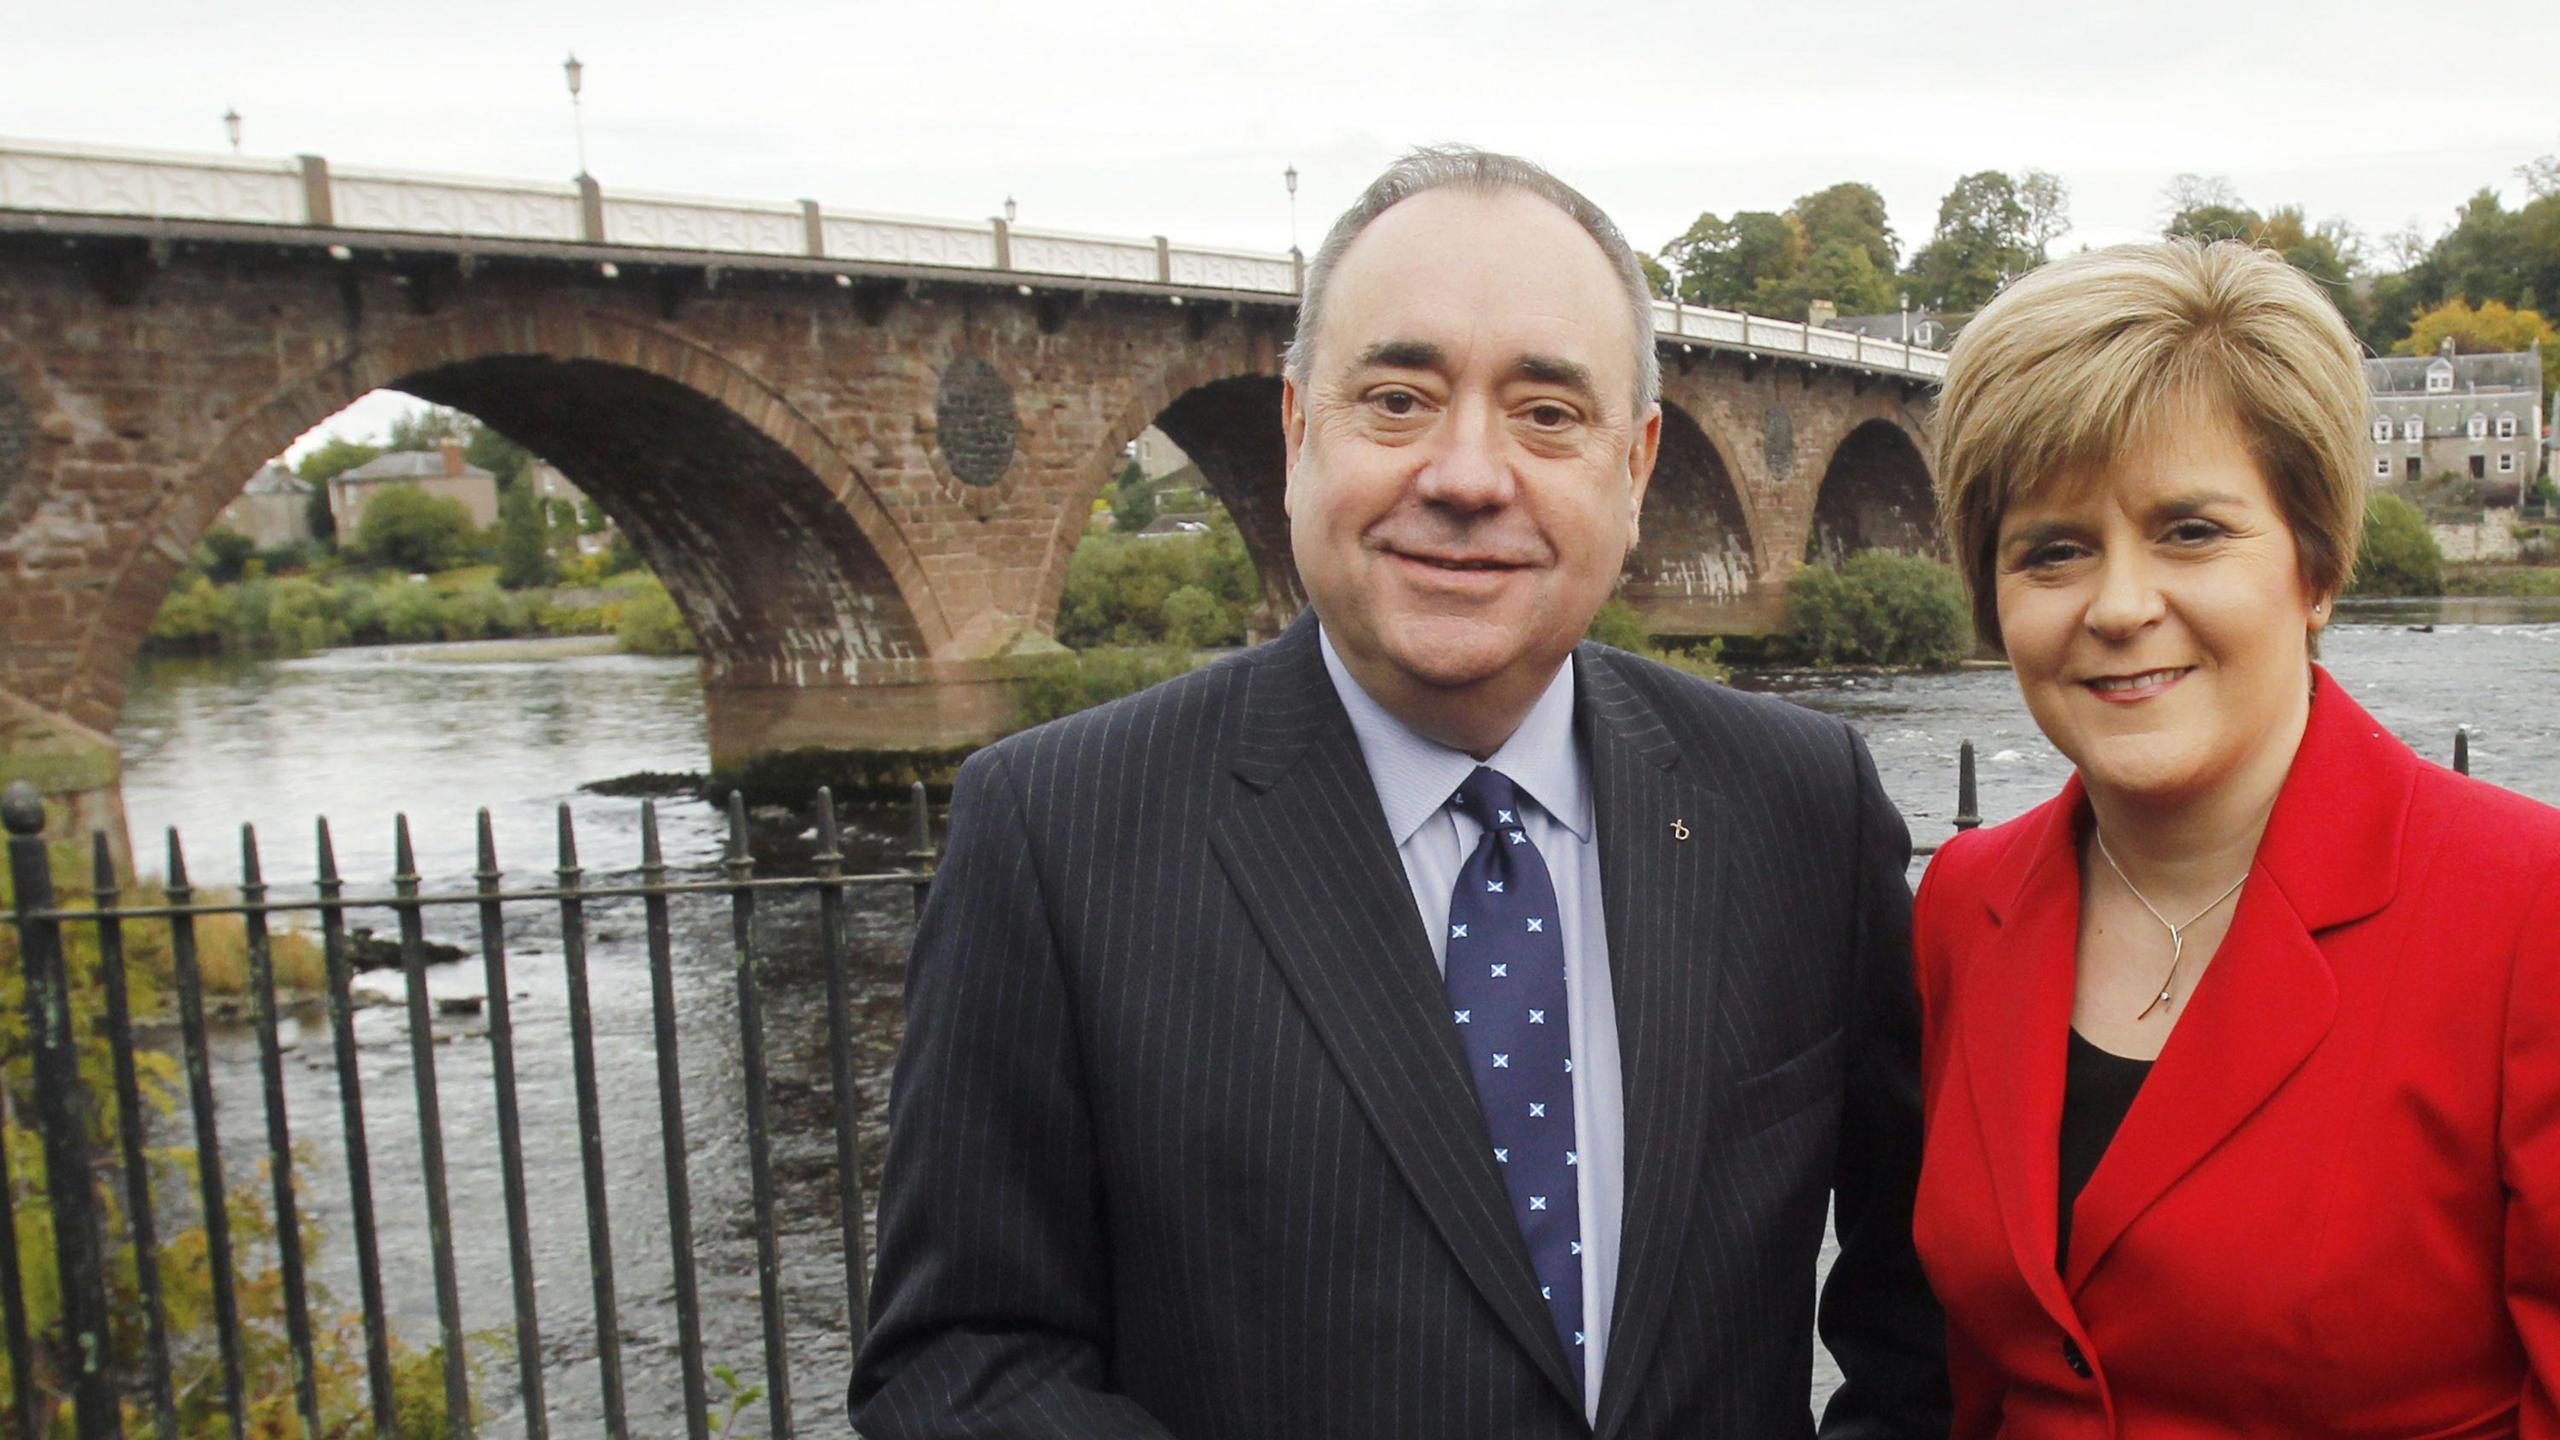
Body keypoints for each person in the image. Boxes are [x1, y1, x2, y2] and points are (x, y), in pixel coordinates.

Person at [849, 146, 1949, 1439]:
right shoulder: (1056, 832)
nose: (1469, 474)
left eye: (1547, 414)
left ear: (1638, 466)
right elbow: (960, 1362)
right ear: (1298, 429)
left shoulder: (1797, 804)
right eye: (1398, 398)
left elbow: (1915, 1293)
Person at [1914, 239, 2560, 1437]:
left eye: (2190, 532)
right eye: (2052, 550)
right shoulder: (1964, 900)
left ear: (2314, 568)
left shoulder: (2529, 911)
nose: (2115, 606)